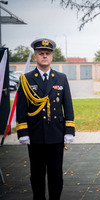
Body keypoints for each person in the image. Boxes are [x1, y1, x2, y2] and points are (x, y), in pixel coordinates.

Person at [16, 38, 75, 200]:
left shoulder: (61, 78)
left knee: (56, 173)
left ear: (51, 57)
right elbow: (21, 108)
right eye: (40, 53)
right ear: (35, 57)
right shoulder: (26, 79)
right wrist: (23, 132)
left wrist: (69, 130)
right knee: (37, 174)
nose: (44, 56)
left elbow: (68, 106)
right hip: (35, 135)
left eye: (47, 53)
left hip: (56, 134)